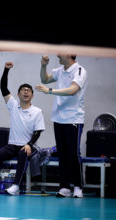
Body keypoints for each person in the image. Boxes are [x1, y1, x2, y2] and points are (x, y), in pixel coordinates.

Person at [0, 62, 45, 196]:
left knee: (23, 155)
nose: (26, 91)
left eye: (29, 90)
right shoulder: (13, 105)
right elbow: (3, 87)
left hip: (27, 146)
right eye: (23, 90)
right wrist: (6, 70)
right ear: (18, 94)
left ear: (32, 95)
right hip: (12, 145)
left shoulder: (37, 111)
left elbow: (38, 131)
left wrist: (29, 144)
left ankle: (15, 186)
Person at [36, 54, 87, 198]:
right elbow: (44, 79)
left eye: (61, 53)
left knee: (73, 153)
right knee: (62, 154)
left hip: (73, 119)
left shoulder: (79, 70)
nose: (58, 55)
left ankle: (78, 186)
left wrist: (50, 91)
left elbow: (73, 90)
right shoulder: (60, 70)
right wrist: (43, 66)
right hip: (58, 118)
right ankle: (64, 187)